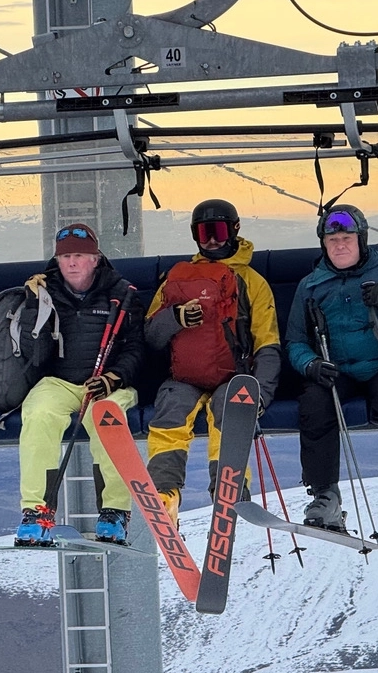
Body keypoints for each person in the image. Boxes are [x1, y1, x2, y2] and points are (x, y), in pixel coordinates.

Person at [284, 204, 378, 530]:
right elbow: (295, 341)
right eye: (332, 241)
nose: (340, 246)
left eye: (347, 238)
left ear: (361, 240)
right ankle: (325, 494)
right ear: (323, 244)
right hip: (336, 368)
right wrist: (311, 364)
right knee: (315, 402)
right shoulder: (311, 286)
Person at [144, 199, 281, 526]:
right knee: (170, 414)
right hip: (184, 378)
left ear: (234, 230)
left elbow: (267, 341)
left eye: (218, 231)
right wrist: (174, 318)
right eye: (204, 233)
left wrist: (260, 393)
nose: (212, 240)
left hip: (233, 377)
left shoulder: (251, 282)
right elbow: (151, 334)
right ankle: (165, 494)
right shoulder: (176, 278)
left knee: (229, 411)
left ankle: (228, 489)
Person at [15, 223, 145, 547]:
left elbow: (136, 347)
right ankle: (37, 512)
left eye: (79, 255)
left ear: (95, 259)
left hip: (107, 384)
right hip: (59, 382)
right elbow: (35, 354)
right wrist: (34, 306)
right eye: (65, 256)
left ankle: (115, 511)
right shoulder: (44, 292)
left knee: (106, 416)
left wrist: (114, 378)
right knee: (38, 414)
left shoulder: (121, 293)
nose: (72, 262)